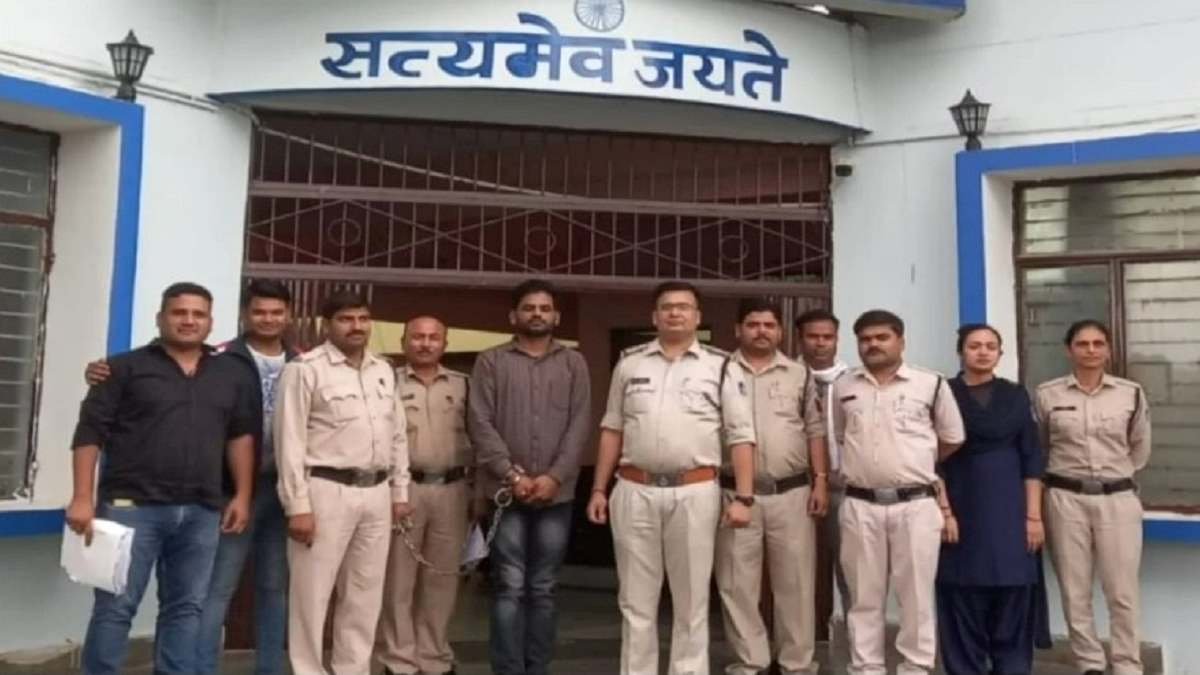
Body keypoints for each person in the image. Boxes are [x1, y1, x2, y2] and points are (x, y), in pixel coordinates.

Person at [85, 280, 298, 674]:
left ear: (210, 321)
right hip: (142, 505)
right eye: (179, 313)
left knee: (193, 604)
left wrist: (244, 494)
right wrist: (83, 497)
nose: (188, 320)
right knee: (120, 606)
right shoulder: (126, 367)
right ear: (160, 318)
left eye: (198, 314)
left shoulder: (250, 368)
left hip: (224, 502)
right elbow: (89, 433)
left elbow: (239, 435)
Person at [587, 280, 757, 675]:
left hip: (695, 491)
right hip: (634, 489)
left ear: (697, 317)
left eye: (684, 307)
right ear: (655, 316)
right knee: (635, 600)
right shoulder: (630, 364)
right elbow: (612, 428)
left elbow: (741, 436)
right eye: (667, 307)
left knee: (692, 600)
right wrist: (598, 488)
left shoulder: (721, 366)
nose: (675, 313)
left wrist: (744, 498)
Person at [274, 290, 411, 675]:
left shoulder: (383, 369)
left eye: (363, 319)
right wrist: (297, 506)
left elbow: (397, 435)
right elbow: (289, 442)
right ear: (327, 325)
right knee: (311, 595)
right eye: (346, 319)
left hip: (377, 493)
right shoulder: (305, 370)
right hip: (325, 491)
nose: (356, 326)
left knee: (364, 595)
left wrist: (399, 492)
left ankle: (353, 669)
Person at [468, 279, 592, 675]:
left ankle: (537, 668)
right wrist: (511, 474)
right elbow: (480, 422)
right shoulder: (491, 361)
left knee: (542, 588)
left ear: (556, 316)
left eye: (544, 308)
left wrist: (554, 476)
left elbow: (580, 424)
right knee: (508, 585)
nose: (537, 314)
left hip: (557, 495)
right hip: (505, 493)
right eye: (529, 308)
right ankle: (507, 670)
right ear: (513, 316)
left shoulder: (574, 363)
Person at [831, 309, 965, 675]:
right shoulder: (844, 386)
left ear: (901, 341)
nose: (873, 344)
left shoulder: (930, 384)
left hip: (915, 504)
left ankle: (916, 667)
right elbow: (842, 436)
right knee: (863, 596)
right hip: (860, 504)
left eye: (882, 337)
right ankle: (866, 667)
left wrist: (913, 462)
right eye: (865, 339)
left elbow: (952, 437)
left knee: (916, 596)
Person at [715, 298, 829, 675]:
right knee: (737, 582)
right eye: (753, 324)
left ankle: (797, 663)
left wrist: (820, 481)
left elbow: (814, 430)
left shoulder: (799, 374)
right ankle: (751, 660)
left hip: (791, 492)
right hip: (734, 493)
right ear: (738, 330)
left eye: (768, 325)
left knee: (795, 583)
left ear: (780, 332)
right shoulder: (719, 371)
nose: (761, 331)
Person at [1035, 319, 1151, 675]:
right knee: (1075, 590)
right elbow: (1040, 446)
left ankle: (1127, 663)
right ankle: (1090, 663)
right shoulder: (1048, 395)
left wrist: (1114, 476)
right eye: (1082, 344)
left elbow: (1140, 447)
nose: (1091, 350)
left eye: (1098, 343)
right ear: (1068, 349)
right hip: (1065, 498)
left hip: (1117, 499)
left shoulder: (1130, 393)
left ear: (1108, 349)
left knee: (1122, 591)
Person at [937, 324, 1050, 675]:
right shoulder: (943, 394)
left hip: (1011, 510)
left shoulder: (1015, 395)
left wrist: (1033, 517)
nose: (983, 352)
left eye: (990, 346)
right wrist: (944, 511)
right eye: (974, 346)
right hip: (960, 506)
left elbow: (1032, 457)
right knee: (961, 593)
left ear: (1000, 353)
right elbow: (930, 458)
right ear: (961, 352)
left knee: (1013, 589)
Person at [377, 315, 472, 675]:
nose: (425, 343)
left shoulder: (464, 385)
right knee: (398, 580)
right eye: (417, 337)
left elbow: (477, 436)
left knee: (442, 579)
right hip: (405, 490)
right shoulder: (387, 382)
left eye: (434, 337)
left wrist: (478, 493)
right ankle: (400, 660)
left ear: (445, 344)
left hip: (453, 490)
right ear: (404, 342)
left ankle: (433, 657)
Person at [795, 308, 851, 629]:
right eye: (813, 337)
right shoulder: (786, 377)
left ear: (836, 340)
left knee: (851, 572)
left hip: (844, 489)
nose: (820, 343)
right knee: (793, 572)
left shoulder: (854, 381)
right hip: (795, 487)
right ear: (800, 339)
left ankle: (858, 648)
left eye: (827, 337)